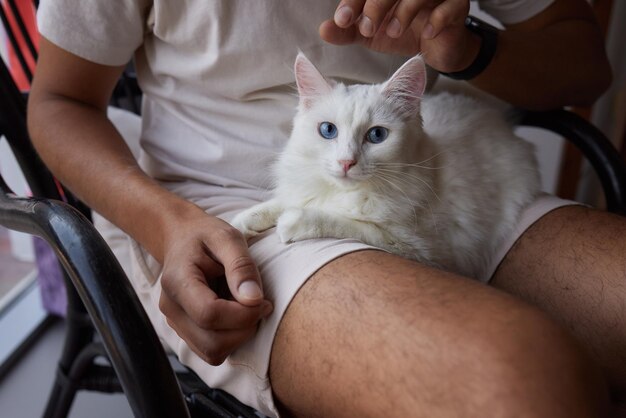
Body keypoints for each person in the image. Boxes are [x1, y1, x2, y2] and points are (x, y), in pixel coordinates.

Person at [28, 0, 624, 416]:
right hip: (218, 201)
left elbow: (585, 66)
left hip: (446, 180)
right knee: (522, 381)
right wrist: (166, 224)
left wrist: (468, 46)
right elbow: (56, 100)